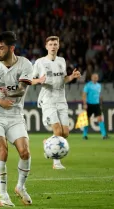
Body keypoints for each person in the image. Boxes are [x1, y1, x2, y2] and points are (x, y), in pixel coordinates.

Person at [0, 31, 33, 207]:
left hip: (15, 114)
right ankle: (3, 196)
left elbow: (22, 89)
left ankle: (20, 187)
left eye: (1, 48)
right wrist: (0, 101)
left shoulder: (25, 64)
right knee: (2, 151)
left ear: (11, 48)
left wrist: (8, 94)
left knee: (25, 152)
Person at [31, 36, 81, 170]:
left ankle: (48, 143)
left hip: (61, 99)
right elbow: (30, 80)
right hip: (48, 99)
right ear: (46, 46)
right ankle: (56, 163)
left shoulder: (61, 61)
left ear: (58, 46)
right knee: (57, 130)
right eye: (50, 44)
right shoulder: (40, 62)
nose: (53, 46)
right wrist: (39, 81)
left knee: (65, 133)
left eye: (55, 44)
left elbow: (63, 79)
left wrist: (71, 77)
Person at [82, 73, 108, 140]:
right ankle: (84, 135)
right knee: (87, 120)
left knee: (100, 119)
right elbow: (84, 95)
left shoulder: (99, 85)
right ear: (91, 78)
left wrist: (100, 104)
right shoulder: (88, 85)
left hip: (96, 104)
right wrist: (84, 104)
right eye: (94, 77)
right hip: (89, 104)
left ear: (98, 78)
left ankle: (104, 135)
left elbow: (99, 95)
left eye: (96, 77)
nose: (95, 78)